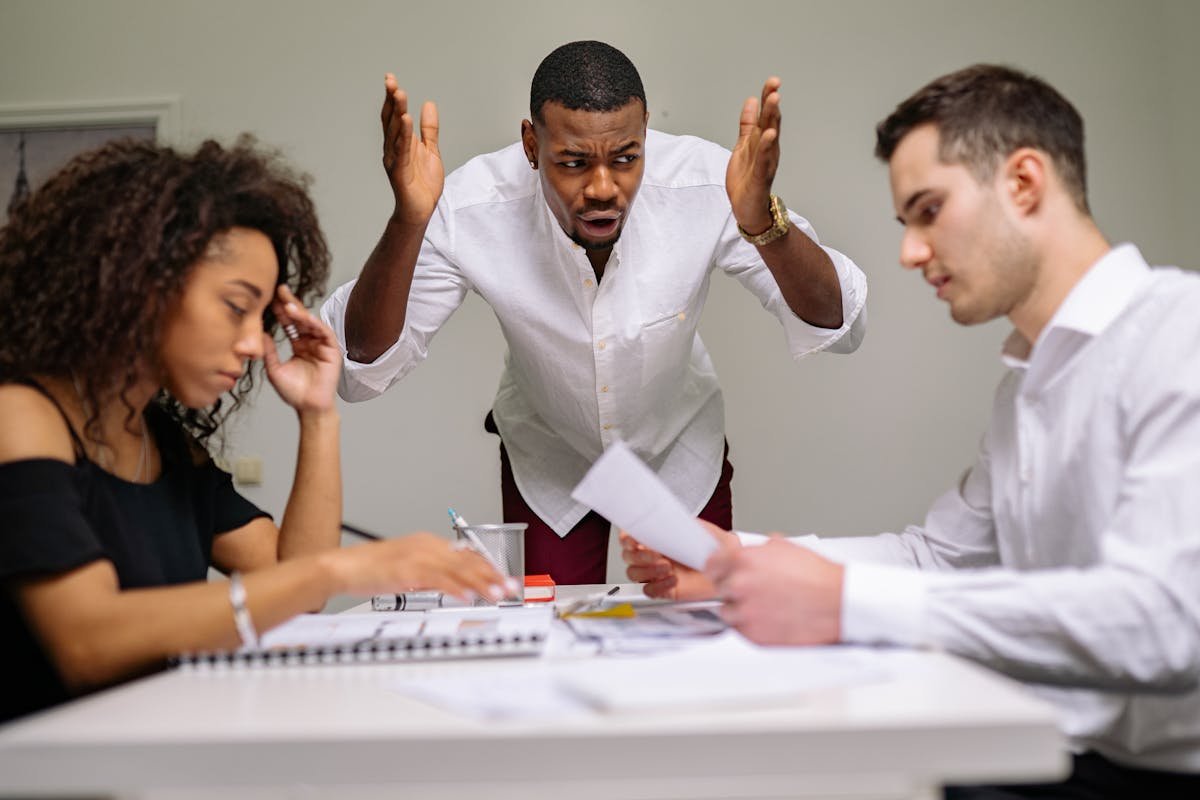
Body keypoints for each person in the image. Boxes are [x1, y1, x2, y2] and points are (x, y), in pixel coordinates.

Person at [623, 64, 1200, 798]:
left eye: (929, 212)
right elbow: (937, 560)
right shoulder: (1026, 387)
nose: (910, 253)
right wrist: (737, 559)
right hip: (1066, 755)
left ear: (1024, 183)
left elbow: (1164, 623)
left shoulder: (1182, 334)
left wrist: (844, 603)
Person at [0, 138, 511, 723]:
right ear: (140, 283)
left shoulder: (163, 445)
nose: (252, 342)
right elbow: (88, 642)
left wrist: (319, 415)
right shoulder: (20, 416)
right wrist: (339, 569)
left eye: (261, 315)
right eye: (235, 306)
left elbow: (297, 591)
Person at [320, 40, 867, 585]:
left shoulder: (711, 183)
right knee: (543, 633)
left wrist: (760, 224)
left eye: (626, 158)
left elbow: (841, 322)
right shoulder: (469, 207)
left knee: (700, 627)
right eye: (574, 162)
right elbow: (360, 365)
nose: (603, 188)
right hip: (549, 459)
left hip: (679, 454)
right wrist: (409, 222)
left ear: (646, 131)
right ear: (532, 145)